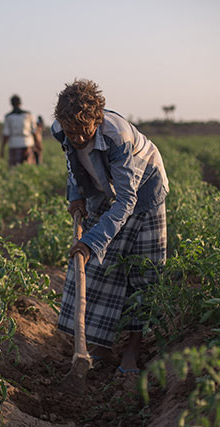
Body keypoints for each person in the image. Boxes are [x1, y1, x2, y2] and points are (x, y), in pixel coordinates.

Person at [52, 79, 169, 374]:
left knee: (143, 272)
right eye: (71, 132)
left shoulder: (117, 138)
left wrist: (92, 242)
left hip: (143, 193)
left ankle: (131, 350)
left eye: (84, 131)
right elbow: (72, 163)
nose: (77, 138)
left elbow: (127, 200)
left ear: (98, 119)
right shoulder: (60, 130)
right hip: (105, 190)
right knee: (98, 270)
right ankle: (101, 348)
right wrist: (76, 195)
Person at [0, 95, 38, 167]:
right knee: (28, 166)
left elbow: (6, 134)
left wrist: (2, 149)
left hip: (14, 144)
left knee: (14, 167)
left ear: (11, 104)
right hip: (27, 143)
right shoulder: (28, 114)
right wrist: (37, 144)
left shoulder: (8, 117)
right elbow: (34, 131)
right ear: (20, 103)